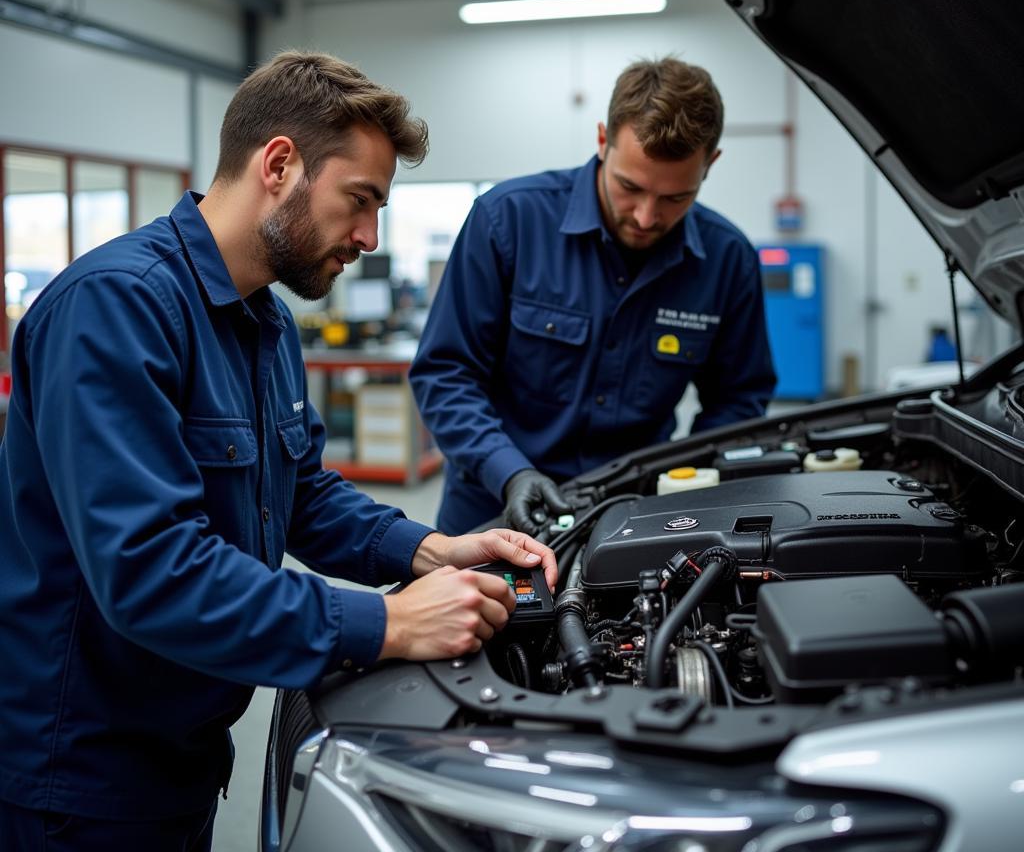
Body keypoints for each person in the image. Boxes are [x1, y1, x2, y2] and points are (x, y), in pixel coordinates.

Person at [0, 52, 556, 851]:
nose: (368, 236)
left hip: (182, 754)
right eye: (358, 201)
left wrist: (432, 549)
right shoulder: (115, 309)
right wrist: (386, 622)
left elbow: (296, 492)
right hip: (81, 777)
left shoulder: (264, 323)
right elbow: (151, 570)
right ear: (280, 164)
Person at [410, 57, 776, 535]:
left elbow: (739, 397)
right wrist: (508, 471)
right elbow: (445, 373)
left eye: (675, 198)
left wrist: (690, 479)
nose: (646, 216)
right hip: (493, 508)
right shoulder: (508, 222)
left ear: (711, 163)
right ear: (603, 140)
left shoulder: (727, 258)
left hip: (638, 513)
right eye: (630, 187)